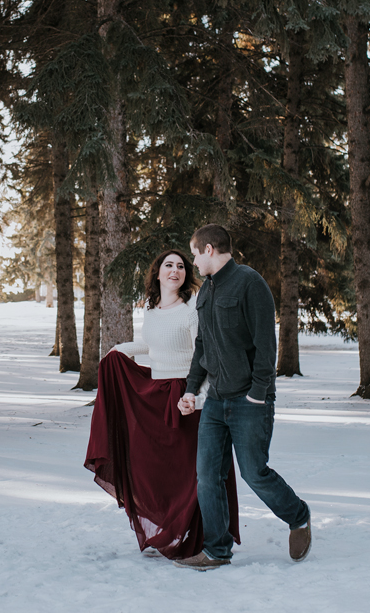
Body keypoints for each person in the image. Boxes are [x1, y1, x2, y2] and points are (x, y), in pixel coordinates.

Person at [85, 249, 240, 559]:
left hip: (185, 395)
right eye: (168, 265)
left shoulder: (192, 310)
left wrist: (196, 397)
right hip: (157, 395)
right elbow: (155, 344)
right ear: (157, 273)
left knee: (190, 473)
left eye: (181, 266)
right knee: (155, 469)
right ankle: (167, 528)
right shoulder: (151, 309)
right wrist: (121, 350)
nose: (175, 270)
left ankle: (197, 538)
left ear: (186, 274)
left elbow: (205, 356)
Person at [173, 224, 311, 570]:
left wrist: (258, 394)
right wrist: (192, 389)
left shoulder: (250, 282)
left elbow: (267, 343)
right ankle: (217, 550)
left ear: (208, 250)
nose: (191, 260)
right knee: (207, 476)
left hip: (250, 401)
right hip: (216, 401)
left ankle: (298, 515)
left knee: (254, 473)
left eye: (193, 253)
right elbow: (202, 345)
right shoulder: (205, 292)